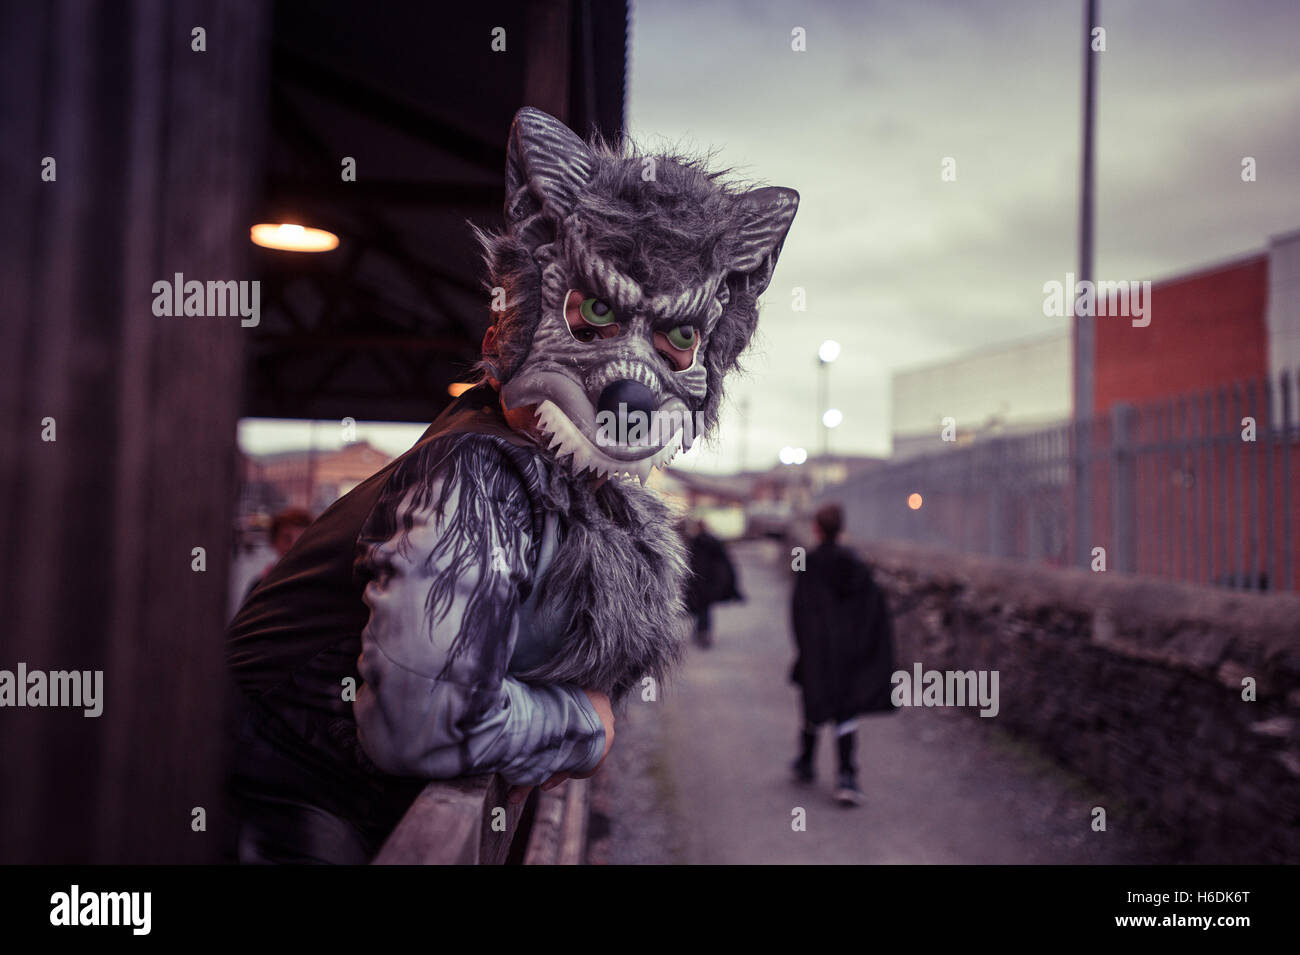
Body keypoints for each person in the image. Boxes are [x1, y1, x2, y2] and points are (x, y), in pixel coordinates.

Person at [225, 107, 799, 862]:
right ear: (520, 312)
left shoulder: (565, 486)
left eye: (677, 336)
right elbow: (423, 723)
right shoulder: (477, 471)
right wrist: (585, 724)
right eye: (594, 311)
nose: (633, 380)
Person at [789, 503, 896, 807]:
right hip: (848, 654)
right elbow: (873, 609)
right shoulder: (855, 564)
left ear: (816, 529)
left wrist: (805, 646)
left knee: (812, 705)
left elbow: (799, 609)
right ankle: (847, 777)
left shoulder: (807, 562)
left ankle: (806, 763)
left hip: (817, 652)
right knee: (845, 711)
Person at [684, 518, 742, 648]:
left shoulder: (697, 543)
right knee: (704, 609)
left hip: (702, 583)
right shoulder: (709, 543)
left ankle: (702, 633)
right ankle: (702, 632)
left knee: (702, 608)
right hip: (707, 583)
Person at [242, 507, 312, 603]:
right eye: (287, 538)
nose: (294, 545)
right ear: (274, 542)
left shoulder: (318, 583)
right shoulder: (260, 586)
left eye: (301, 539)